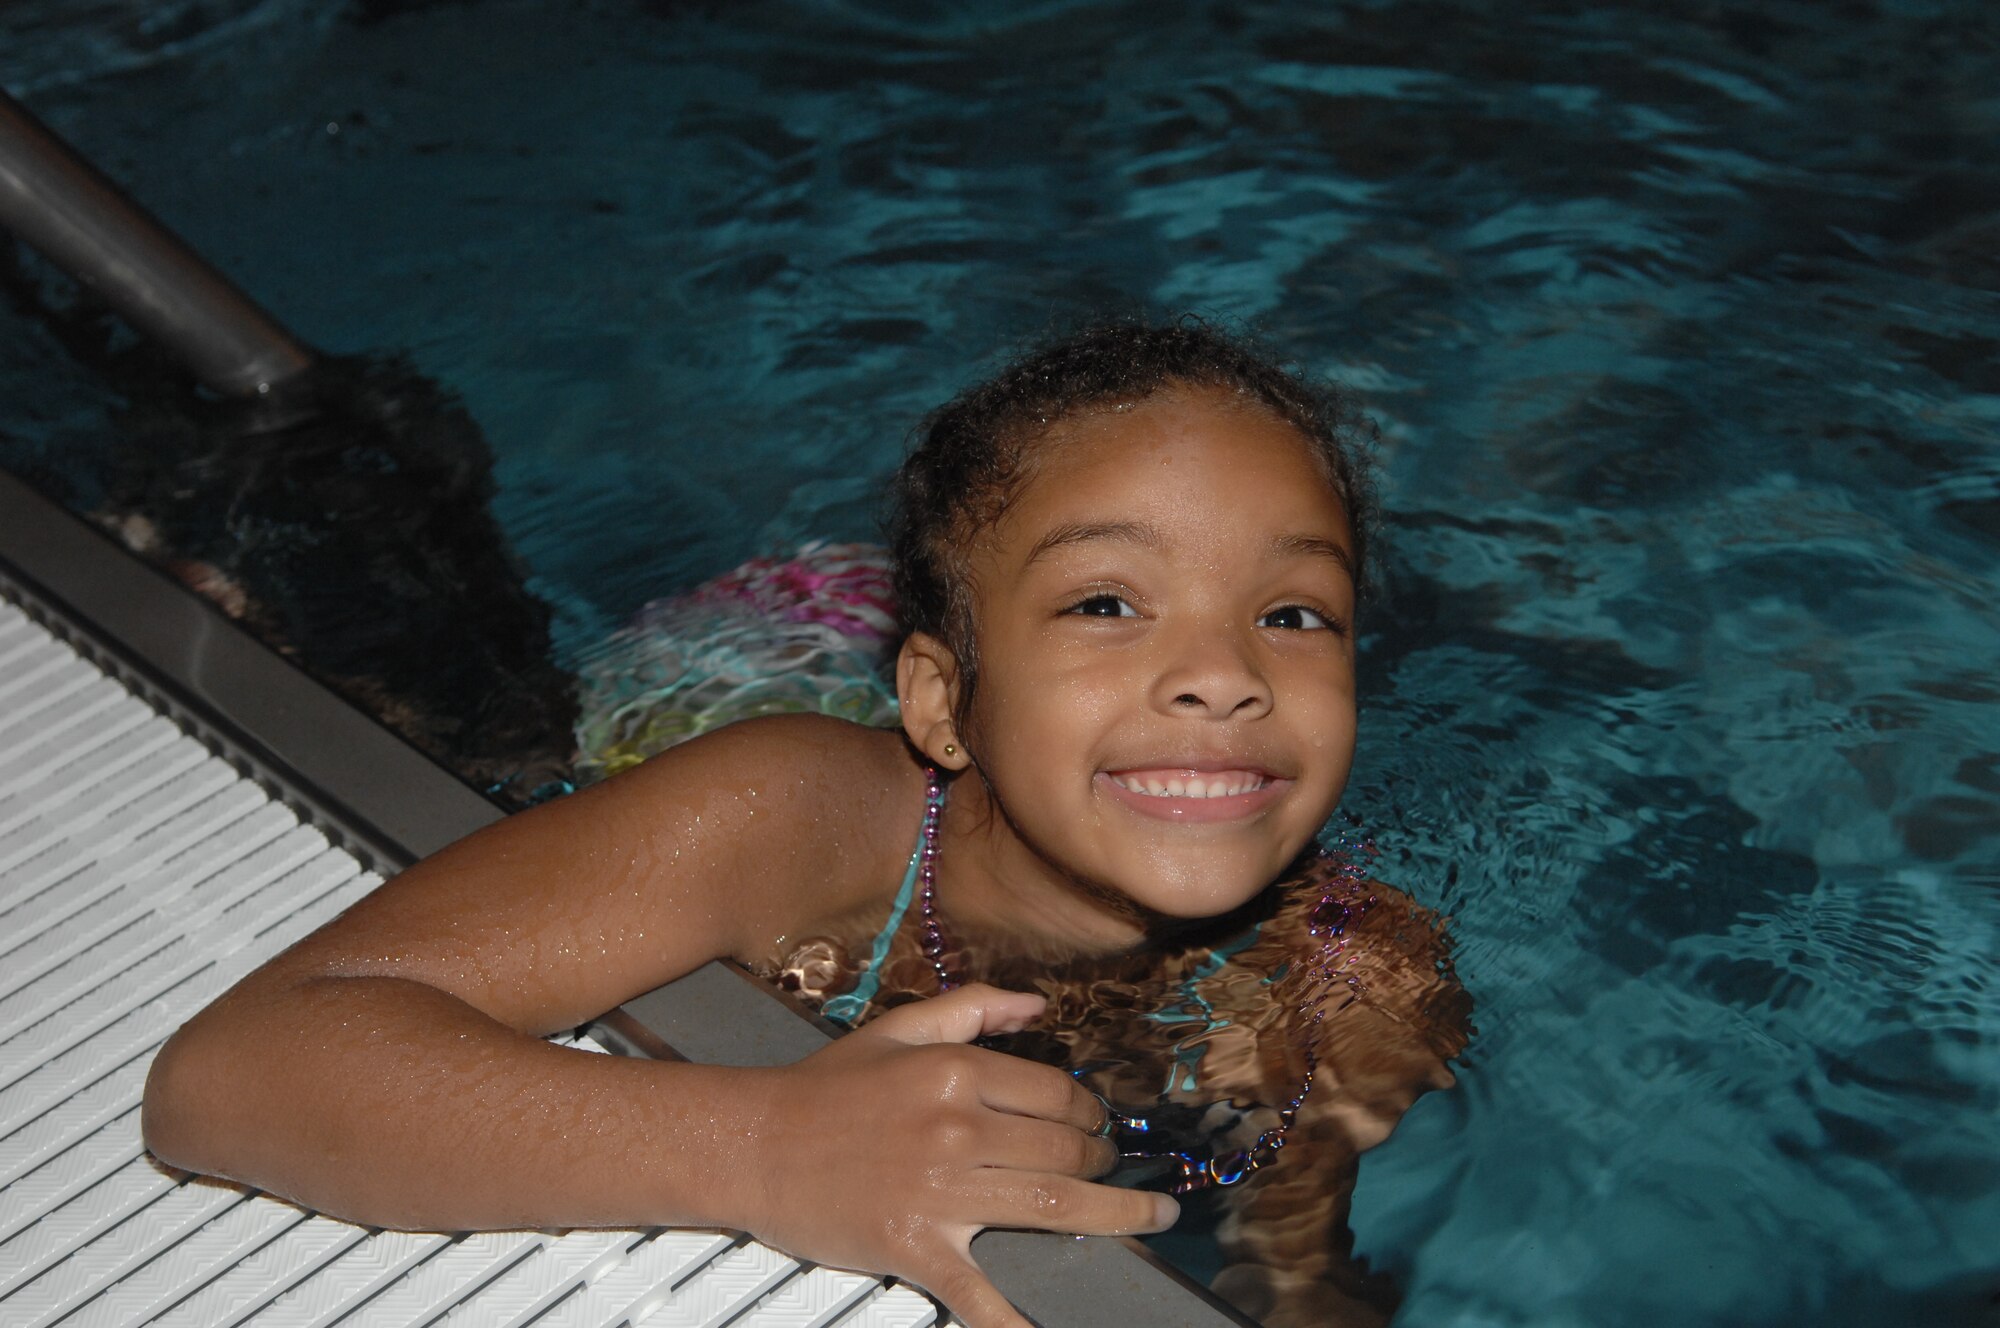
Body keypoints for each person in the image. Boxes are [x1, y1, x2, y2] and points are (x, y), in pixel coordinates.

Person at [142, 317, 1468, 1328]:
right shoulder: (789, 819)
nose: (1226, 672)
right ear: (944, 709)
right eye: (1105, 602)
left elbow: (1304, 1282)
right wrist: (764, 1148)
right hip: (708, 688)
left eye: (1294, 613)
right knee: (470, 707)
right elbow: (231, 1075)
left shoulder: (1361, 977)